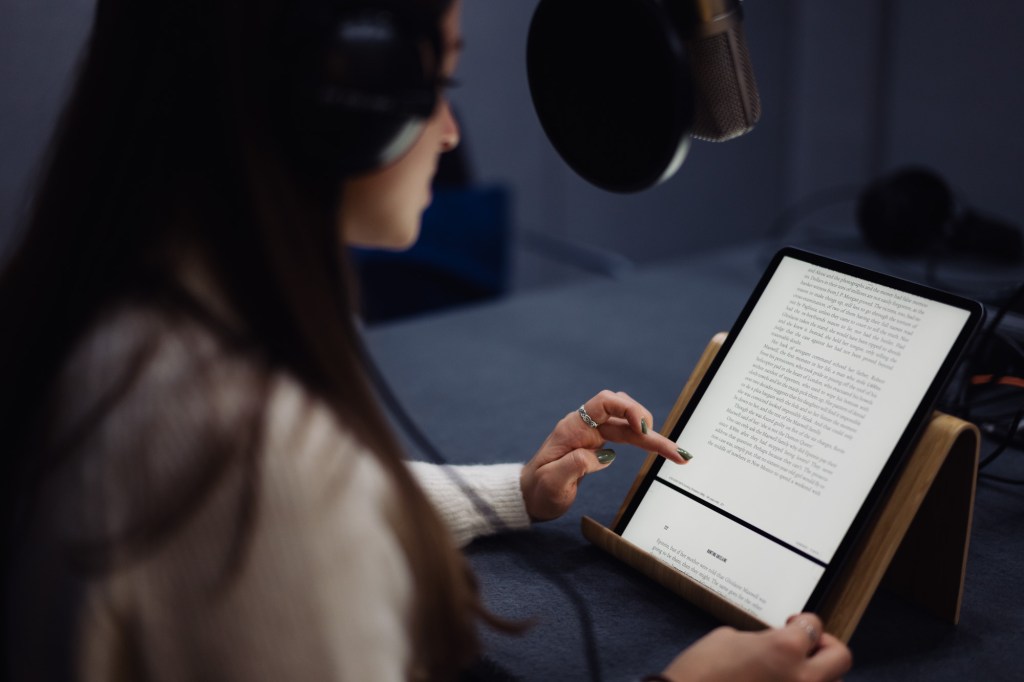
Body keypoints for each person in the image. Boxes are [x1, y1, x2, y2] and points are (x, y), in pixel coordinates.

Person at [0, 0, 853, 680]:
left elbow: (332, 512)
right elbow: (298, 503)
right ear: (338, 100)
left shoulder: (128, 326)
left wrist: (514, 492)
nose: (449, 135)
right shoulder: (253, 453)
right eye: (437, 83)